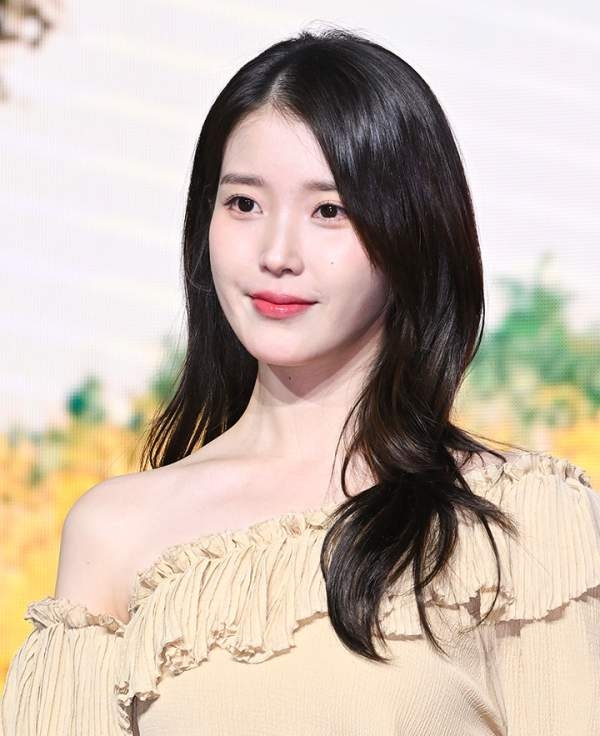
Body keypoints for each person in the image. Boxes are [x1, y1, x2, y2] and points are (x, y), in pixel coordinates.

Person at [2, 26, 599, 736]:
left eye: (329, 211)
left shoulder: (524, 520)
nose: (277, 253)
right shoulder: (116, 533)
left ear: (411, 234)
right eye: (244, 204)